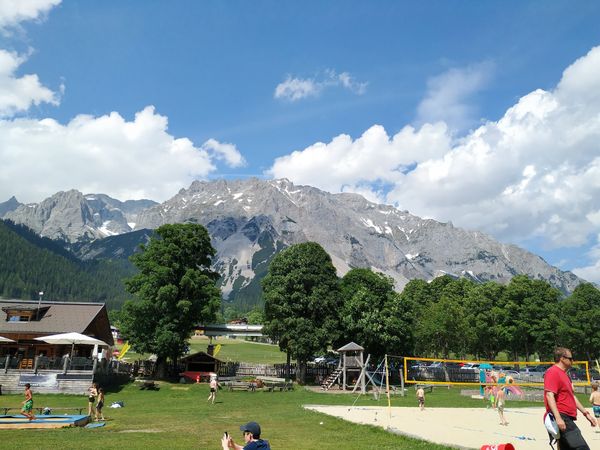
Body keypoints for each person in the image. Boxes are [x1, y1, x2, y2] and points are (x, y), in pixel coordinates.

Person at [544, 347, 596, 449]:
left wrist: (586, 414)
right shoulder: (553, 372)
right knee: (582, 447)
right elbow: (549, 395)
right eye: (571, 358)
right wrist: (558, 418)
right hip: (562, 417)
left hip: (567, 417)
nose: (573, 361)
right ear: (562, 358)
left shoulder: (565, 375)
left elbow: (572, 397)